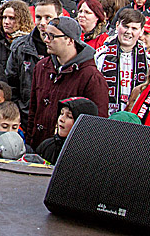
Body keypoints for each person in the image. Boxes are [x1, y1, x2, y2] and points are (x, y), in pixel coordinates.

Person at [26, 16, 109, 146]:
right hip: (39, 148)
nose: (46, 40)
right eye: (46, 35)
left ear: (69, 40)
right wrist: (30, 143)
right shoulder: (42, 67)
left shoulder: (91, 77)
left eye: (52, 36)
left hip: (69, 152)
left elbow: (98, 125)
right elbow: (33, 110)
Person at [94, 8, 150, 115]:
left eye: (134, 28)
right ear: (117, 26)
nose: (129, 32)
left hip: (135, 116)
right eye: (125, 26)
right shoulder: (100, 55)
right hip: (106, 114)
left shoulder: (148, 60)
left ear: (141, 31)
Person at [36, 97, 99, 165]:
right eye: (61, 113)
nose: (61, 119)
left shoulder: (91, 155)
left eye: (69, 116)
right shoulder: (47, 146)